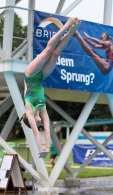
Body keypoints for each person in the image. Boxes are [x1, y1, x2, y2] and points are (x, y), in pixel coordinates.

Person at [21, 17, 81, 158]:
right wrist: (47, 148)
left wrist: (39, 150)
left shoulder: (29, 109)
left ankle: (67, 25)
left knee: (48, 51)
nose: (40, 122)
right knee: (56, 54)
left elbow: (36, 133)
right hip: (41, 77)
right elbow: (47, 130)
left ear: (31, 121)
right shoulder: (42, 108)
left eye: (37, 123)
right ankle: (74, 29)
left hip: (30, 75)